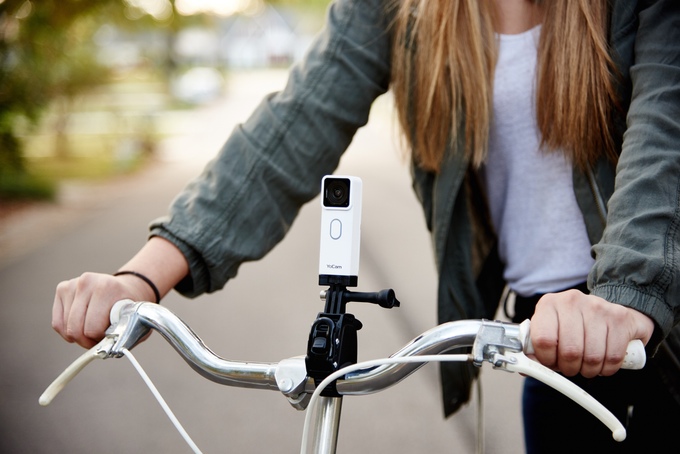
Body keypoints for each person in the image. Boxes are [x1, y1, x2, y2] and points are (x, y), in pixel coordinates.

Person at [52, 0, 680, 452]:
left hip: (649, 317)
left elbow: (665, 135)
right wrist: (139, 279)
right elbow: (296, 123)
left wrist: (626, 295)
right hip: (547, 342)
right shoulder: (405, 10)